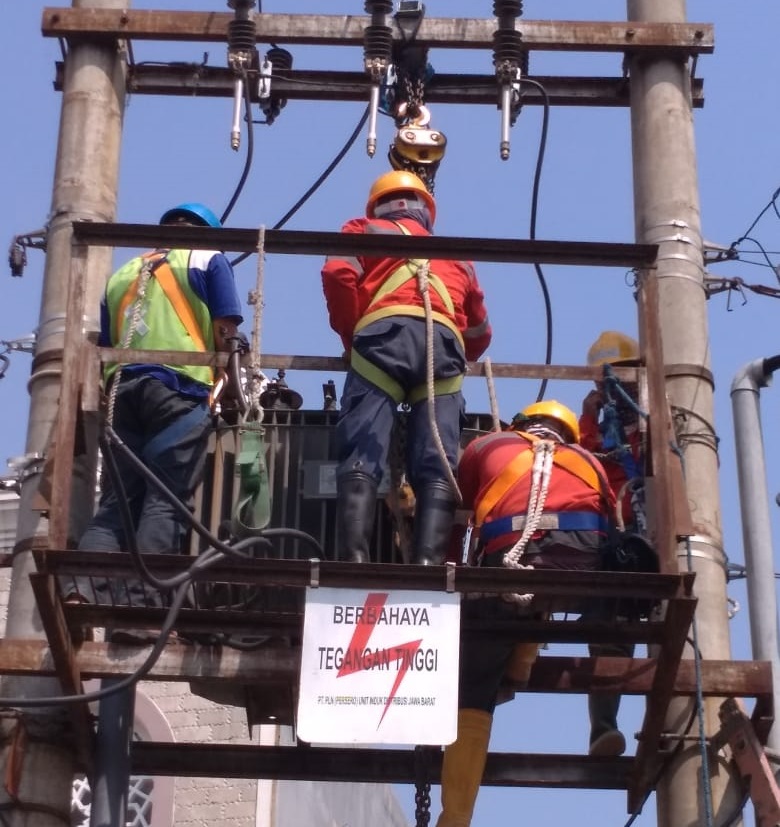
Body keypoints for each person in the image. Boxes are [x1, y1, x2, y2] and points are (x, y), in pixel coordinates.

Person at [435, 400, 617, 827]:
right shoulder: (590, 460)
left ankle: (456, 817)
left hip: (511, 560)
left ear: (519, 424)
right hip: (582, 566)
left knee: (473, 692)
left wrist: (441, 571)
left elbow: (456, 513)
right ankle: (522, 667)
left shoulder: (488, 445)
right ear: (569, 434)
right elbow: (611, 519)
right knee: (544, 594)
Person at [73, 202, 245, 617]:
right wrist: (235, 390)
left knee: (116, 501)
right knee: (164, 500)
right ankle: (142, 604)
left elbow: (111, 343)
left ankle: (82, 588)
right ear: (208, 232)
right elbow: (226, 332)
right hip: (179, 391)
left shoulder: (122, 274)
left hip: (123, 392)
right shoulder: (208, 257)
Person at [321, 170, 492, 566]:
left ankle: (355, 561)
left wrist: (351, 336)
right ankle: (429, 565)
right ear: (426, 213)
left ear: (378, 206)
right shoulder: (456, 254)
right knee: (437, 459)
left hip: (384, 341)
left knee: (363, 449)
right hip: (444, 349)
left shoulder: (361, 229)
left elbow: (336, 273)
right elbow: (480, 331)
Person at [580, 330, 646, 756]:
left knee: (642, 623)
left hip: (645, 528)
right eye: (605, 383)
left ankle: (682, 718)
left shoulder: (655, 405)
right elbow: (583, 459)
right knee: (608, 632)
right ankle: (603, 727)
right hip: (607, 531)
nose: (612, 389)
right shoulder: (595, 416)